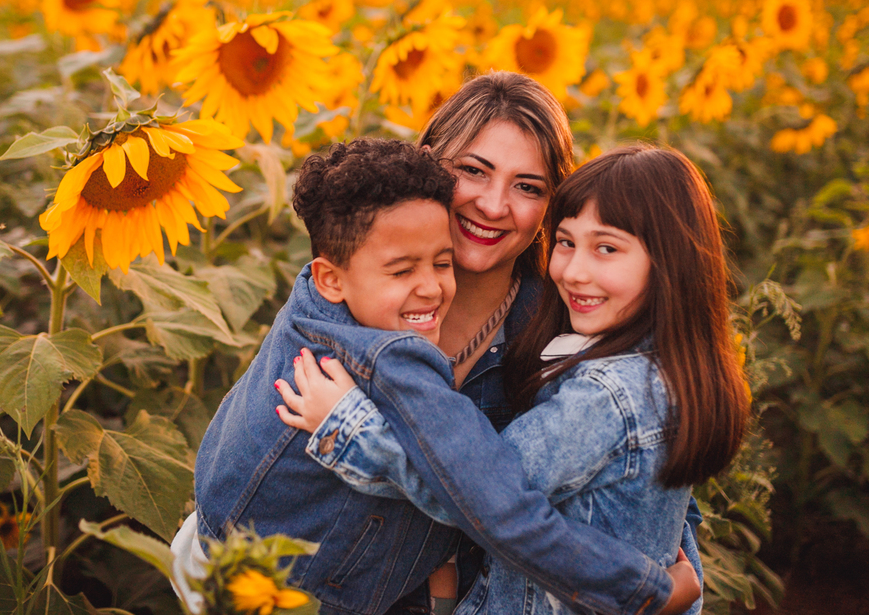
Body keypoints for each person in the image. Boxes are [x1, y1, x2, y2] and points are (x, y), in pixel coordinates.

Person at [187, 72, 700, 615]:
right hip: (259, 585)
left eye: (528, 187)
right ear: (429, 165)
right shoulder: (351, 301)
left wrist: (668, 565)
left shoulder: (558, 317)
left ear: (552, 205)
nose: (494, 204)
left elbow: (639, 462)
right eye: (473, 172)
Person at [276, 145, 749, 615]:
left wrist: (350, 428)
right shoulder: (667, 373)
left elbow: (480, 494)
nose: (575, 272)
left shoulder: (605, 396)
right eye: (565, 242)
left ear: (671, 263)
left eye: (607, 248)